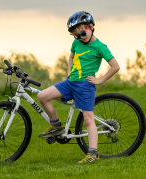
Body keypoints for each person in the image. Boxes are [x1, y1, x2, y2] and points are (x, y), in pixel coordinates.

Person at [37, 11, 120, 164]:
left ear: (91, 26)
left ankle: (93, 154)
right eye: (76, 35)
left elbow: (115, 67)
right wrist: (69, 71)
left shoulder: (100, 47)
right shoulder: (77, 43)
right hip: (70, 82)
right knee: (42, 96)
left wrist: (100, 80)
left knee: (88, 120)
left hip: (85, 86)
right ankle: (56, 126)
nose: (81, 37)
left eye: (82, 33)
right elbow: (71, 56)